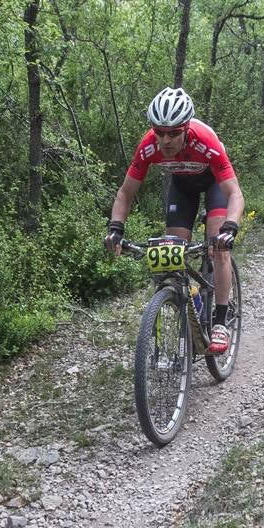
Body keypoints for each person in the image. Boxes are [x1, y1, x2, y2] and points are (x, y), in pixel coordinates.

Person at [105, 87, 244, 355]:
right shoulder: (148, 146)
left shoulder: (206, 141)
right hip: (182, 187)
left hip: (215, 184)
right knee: (173, 252)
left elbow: (234, 193)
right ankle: (192, 303)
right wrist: (115, 228)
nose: (165, 140)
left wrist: (230, 227)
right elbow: (125, 192)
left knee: (218, 247)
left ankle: (221, 320)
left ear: (187, 128)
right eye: (159, 132)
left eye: (173, 133)